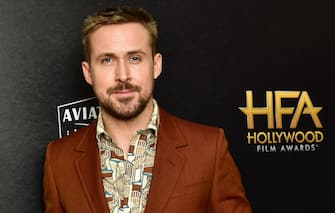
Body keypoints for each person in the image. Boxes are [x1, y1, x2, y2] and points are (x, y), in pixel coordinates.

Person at [43, 6, 252, 213]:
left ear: (156, 65)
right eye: (107, 60)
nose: (123, 75)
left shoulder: (208, 149)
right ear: (88, 73)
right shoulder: (59, 160)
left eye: (135, 58)